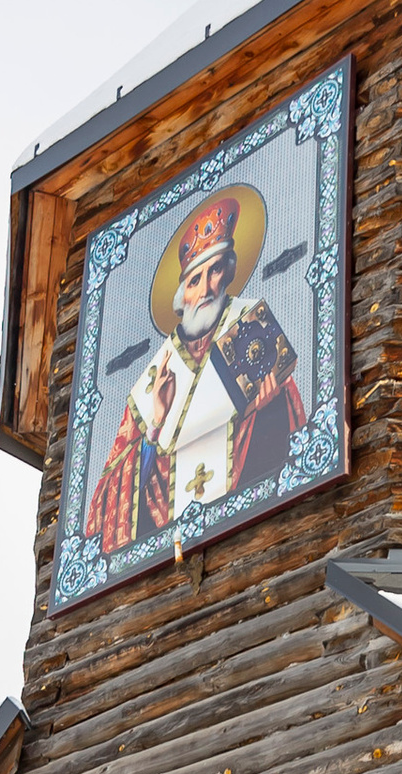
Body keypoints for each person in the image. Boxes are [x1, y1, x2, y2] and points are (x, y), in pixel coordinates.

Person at [84, 189, 304, 556]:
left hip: (256, 534)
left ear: (229, 272)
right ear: (181, 295)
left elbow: (293, 433)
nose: (206, 289)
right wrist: (155, 423)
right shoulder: (152, 381)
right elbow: (108, 497)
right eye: (194, 280)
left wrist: (270, 406)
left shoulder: (251, 328)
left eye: (215, 271)